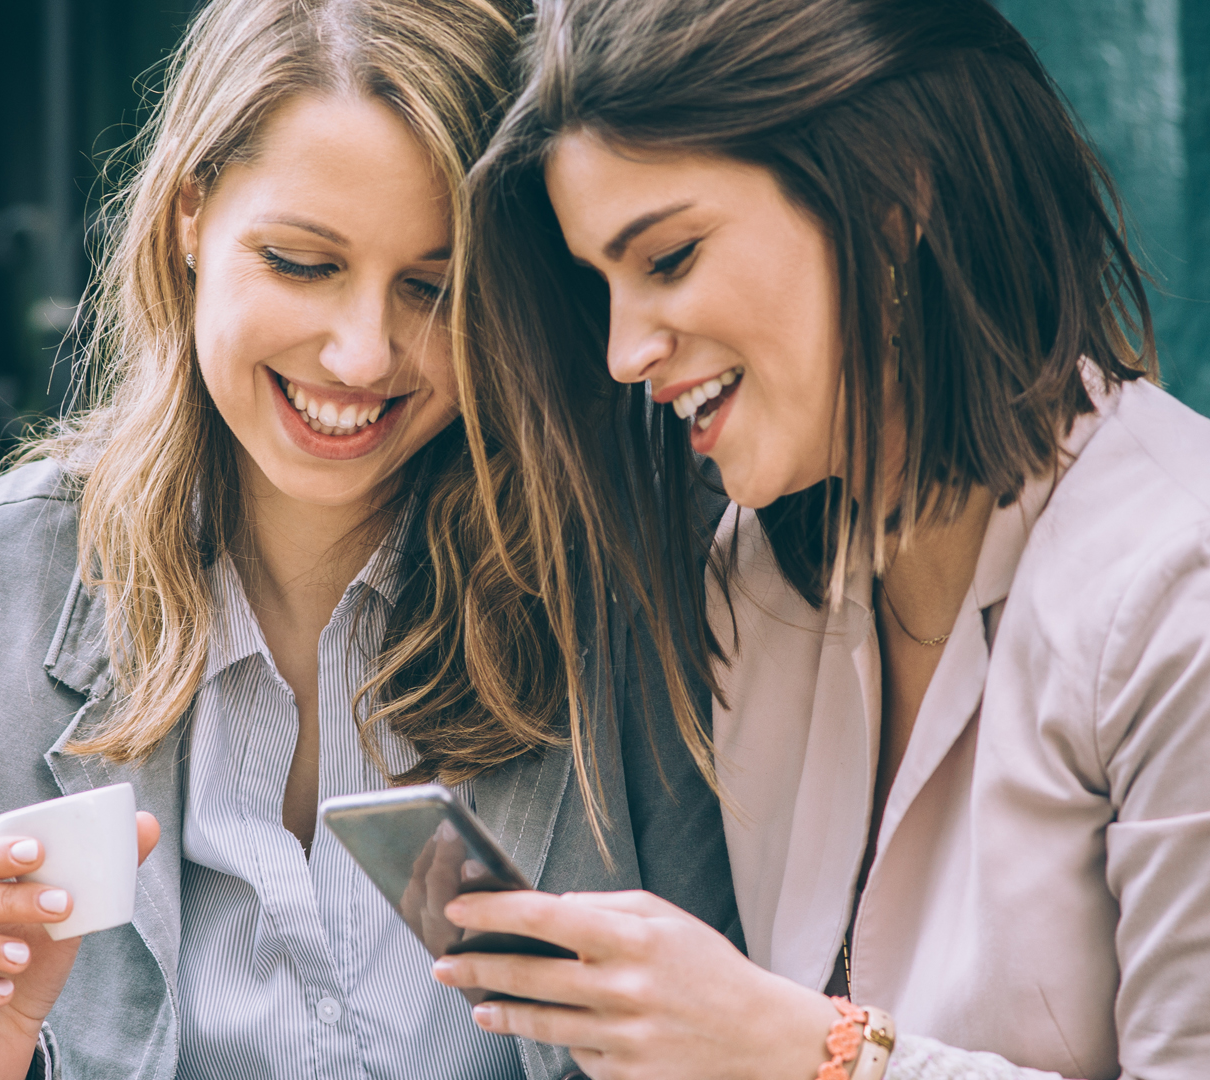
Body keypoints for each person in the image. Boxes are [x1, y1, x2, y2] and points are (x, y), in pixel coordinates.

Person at [0, 0, 738, 1077]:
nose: (364, 355)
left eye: (433, 289)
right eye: (301, 261)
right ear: (190, 217)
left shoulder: (627, 576)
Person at [437, 1, 1210, 1078]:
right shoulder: (759, 587)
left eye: (668, 256)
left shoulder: (1179, 589)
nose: (622, 351)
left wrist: (811, 1052)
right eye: (600, 285)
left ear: (891, 198)